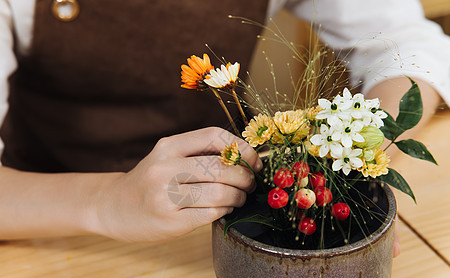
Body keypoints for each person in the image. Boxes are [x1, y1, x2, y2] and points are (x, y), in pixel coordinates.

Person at [0, 0, 448, 255]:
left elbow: (410, 45)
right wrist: (107, 201)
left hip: (234, 209)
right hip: (48, 220)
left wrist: (359, 147)